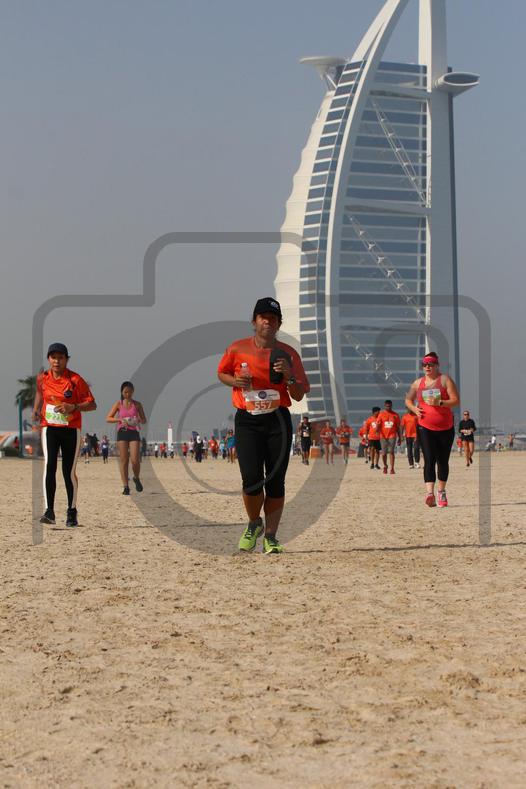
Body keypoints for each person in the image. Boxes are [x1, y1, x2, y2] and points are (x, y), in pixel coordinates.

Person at [218, 297, 309, 554]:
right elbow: (221, 372)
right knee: (251, 480)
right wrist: (235, 381)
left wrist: (289, 376)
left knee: (276, 481)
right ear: (254, 321)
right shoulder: (237, 348)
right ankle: (253, 523)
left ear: (279, 323)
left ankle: (271, 536)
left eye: (273, 318)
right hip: (247, 419)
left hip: (277, 419)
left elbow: (299, 395)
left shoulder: (289, 354)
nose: (268, 322)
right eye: (263, 317)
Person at [32, 342, 96, 527]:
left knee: (68, 471)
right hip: (49, 428)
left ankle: (72, 511)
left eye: (61, 358)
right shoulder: (42, 379)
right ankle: (49, 511)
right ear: (48, 359)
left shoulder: (75, 380)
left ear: (67, 360)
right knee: (49, 465)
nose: (57, 361)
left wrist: (73, 407)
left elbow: (92, 404)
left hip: (71, 429)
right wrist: (36, 409)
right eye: (53, 357)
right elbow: (39, 393)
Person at [405, 352, 459, 507]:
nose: (427, 367)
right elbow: (408, 399)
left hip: (445, 427)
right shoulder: (418, 383)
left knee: (442, 460)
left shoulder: (445, 380)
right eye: (425, 365)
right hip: (425, 427)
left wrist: (440, 403)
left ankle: (441, 492)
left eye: (430, 364)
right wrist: (414, 409)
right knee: (429, 459)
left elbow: (456, 400)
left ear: (437, 365)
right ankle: (429, 494)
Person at [106, 381, 147, 495]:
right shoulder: (118, 404)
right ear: (122, 392)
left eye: (130, 392)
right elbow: (108, 418)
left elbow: (144, 420)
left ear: (133, 392)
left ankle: (136, 478)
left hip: (134, 432)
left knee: (135, 460)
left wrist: (138, 420)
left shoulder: (137, 404)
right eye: (125, 392)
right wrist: (119, 420)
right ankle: (126, 486)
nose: (127, 394)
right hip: (122, 432)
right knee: (124, 461)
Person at [377, 400, 401, 475]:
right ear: (384, 406)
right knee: (384, 453)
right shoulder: (381, 414)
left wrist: (400, 437)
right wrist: (377, 430)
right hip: (383, 436)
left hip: (392, 436)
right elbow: (378, 425)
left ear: (391, 406)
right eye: (387, 406)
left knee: (391, 452)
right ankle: (385, 465)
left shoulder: (395, 415)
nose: (388, 407)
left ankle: (392, 468)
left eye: (390, 406)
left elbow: (398, 427)